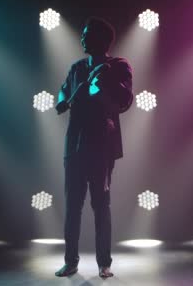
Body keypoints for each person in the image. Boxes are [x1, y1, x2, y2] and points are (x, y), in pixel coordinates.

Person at [54, 17, 133, 279]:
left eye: (87, 34)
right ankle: (70, 261)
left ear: (100, 39)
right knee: (72, 205)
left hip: (102, 144)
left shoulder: (118, 66)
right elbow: (64, 91)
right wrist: (64, 99)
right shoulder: (77, 67)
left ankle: (104, 263)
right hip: (74, 144)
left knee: (101, 204)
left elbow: (124, 100)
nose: (82, 38)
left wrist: (102, 88)